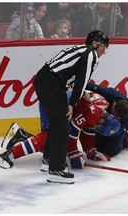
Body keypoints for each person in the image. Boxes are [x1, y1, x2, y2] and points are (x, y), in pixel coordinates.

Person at [33, 30, 109, 184]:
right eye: (103, 47)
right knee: (62, 126)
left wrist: (80, 94)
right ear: (95, 44)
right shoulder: (90, 54)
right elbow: (81, 82)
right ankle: (57, 169)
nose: (104, 51)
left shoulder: (81, 50)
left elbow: (74, 79)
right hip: (52, 83)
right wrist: (72, 103)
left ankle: (48, 160)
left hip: (43, 79)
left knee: (56, 125)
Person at [0, 93, 120, 170]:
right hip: (54, 101)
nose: (97, 128)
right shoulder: (92, 112)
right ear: (103, 119)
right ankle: (7, 155)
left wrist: (90, 150)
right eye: (99, 127)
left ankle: (22, 137)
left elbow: (87, 130)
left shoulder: (102, 110)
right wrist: (74, 154)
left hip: (61, 103)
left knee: (53, 147)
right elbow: (72, 133)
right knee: (51, 137)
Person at [82, 82, 128, 161]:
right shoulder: (109, 94)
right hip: (104, 121)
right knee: (98, 148)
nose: (113, 117)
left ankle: (125, 141)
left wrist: (115, 133)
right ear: (113, 105)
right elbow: (92, 86)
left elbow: (117, 131)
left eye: (117, 117)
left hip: (118, 126)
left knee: (109, 152)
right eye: (114, 114)